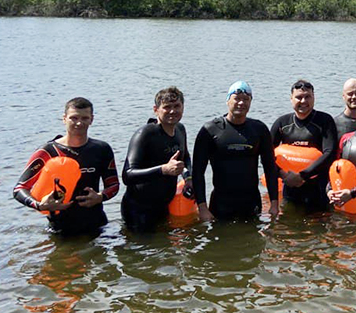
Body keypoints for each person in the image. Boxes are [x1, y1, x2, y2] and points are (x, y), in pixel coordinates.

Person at [13, 97, 120, 235]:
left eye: (85, 118)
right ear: (64, 118)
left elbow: (114, 185)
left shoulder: (101, 149)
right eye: (73, 118)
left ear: (91, 119)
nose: (79, 123)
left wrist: (101, 197)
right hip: (61, 229)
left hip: (97, 224)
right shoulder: (48, 151)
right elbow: (20, 188)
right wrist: (39, 205)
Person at [193, 81, 280, 221]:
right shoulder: (210, 130)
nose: (241, 103)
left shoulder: (259, 129)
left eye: (246, 99)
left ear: (251, 102)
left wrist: (274, 204)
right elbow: (198, 172)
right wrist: (202, 208)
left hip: (251, 202)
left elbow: (269, 168)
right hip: (220, 203)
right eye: (237, 98)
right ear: (228, 100)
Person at [120, 86, 192, 232]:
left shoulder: (180, 130)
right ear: (156, 109)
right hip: (138, 209)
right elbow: (127, 175)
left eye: (177, 106)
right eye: (167, 107)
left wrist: (188, 177)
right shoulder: (145, 134)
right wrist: (163, 169)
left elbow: (186, 157)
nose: (173, 111)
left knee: (166, 250)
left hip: (164, 205)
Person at [270, 79, 338, 211]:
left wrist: (302, 176)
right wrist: (283, 175)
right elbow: (266, 154)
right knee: (288, 225)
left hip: (318, 188)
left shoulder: (324, 121)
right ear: (291, 99)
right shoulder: (282, 123)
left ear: (314, 97)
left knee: (318, 227)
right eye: (299, 97)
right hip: (290, 186)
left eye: (308, 97)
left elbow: (329, 153)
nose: (303, 101)